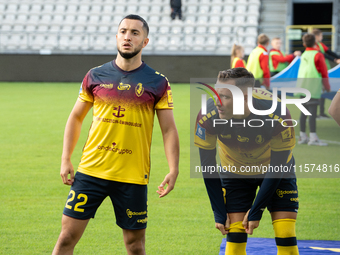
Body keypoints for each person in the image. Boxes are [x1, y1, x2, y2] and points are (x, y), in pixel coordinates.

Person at [52, 14, 180, 255]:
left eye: (134, 33)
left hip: (132, 176)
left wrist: (173, 169)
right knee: (66, 239)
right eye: (123, 31)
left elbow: (169, 129)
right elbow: (76, 117)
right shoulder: (95, 75)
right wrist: (65, 158)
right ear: (116, 37)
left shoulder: (158, 82)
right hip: (90, 171)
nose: (127, 37)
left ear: (145, 42)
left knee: (135, 246)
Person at [195, 68, 299, 255]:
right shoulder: (207, 115)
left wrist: (256, 210)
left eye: (225, 97)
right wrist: (218, 211)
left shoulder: (278, 113)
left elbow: (277, 168)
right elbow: (208, 167)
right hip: (235, 172)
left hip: (275, 170)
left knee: (286, 236)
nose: (217, 102)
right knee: (234, 240)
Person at [295, 33, 331, 146]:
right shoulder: (318, 55)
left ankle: (302, 136)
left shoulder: (304, 54)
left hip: (302, 86)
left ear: (304, 44)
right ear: (315, 42)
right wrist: (327, 86)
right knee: (312, 113)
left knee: (303, 112)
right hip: (313, 87)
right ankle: (313, 137)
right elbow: (324, 72)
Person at [313, 29, 340, 119]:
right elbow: (323, 54)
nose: (322, 37)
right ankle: (314, 113)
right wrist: (335, 60)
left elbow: (329, 52)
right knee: (318, 92)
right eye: (321, 35)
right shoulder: (314, 45)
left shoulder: (321, 44)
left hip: (325, 71)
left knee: (323, 91)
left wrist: (338, 57)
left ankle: (321, 112)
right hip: (318, 72)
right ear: (316, 36)